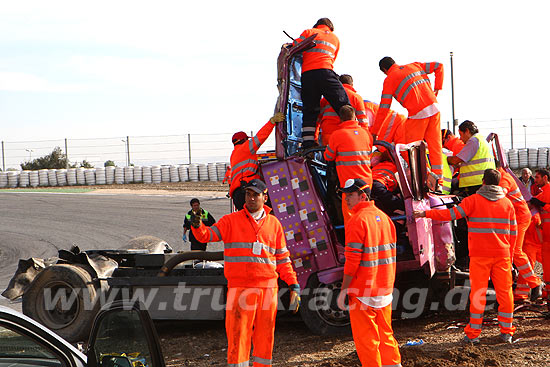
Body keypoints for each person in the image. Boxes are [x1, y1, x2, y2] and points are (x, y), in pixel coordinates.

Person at [190, 179, 300, 367]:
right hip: (240, 289)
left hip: (268, 290)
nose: (250, 198)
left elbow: (283, 259)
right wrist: (197, 224)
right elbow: (206, 235)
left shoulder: (274, 224)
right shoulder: (231, 221)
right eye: (248, 194)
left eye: (255, 194)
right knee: (238, 338)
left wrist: (293, 285)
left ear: (264, 198)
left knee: (265, 338)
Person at [415, 169, 517, 343]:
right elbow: (513, 234)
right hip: (502, 255)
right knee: (505, 293)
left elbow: (449, 215)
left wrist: (426, 213)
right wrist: (511, 256)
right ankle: (507, 332)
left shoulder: (473, 201)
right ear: (498, 184)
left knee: (478, 293)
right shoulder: (507, 204)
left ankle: (473, 335)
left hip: (479, 256)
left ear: (483, 182)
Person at [336, 178, 401, 367]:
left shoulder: (357, 221)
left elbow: (352, 261)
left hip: (363, 291)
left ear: (362, 196)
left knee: (367, 340)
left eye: (350, 195)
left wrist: (344, 289)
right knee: (386, 334)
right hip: (384, 288)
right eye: (345, 195)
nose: (346, 199)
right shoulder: (386, 219)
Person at [375, 57, 444, 181]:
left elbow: (383, 109)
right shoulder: (415, 65)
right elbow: (439, 66)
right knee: (435, 147)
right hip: (434, 108)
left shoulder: (389, 79)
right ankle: (438, 181)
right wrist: (437, 87)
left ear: (384, 70)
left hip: (418, 114)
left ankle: (423, 180)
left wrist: (374, 132)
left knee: (411, 150)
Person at [292, 18, 350, 149]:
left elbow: (294, 46)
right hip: (326, 72)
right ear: (330, 27)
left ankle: (308, 145)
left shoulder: (309, 32)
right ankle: (352, 131)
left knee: (310, 110)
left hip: (308, 75)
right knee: (342, 103)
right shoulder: (335, 39)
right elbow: (332, 59)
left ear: (317, 25)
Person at [498, 167, 542, 303]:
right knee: (514, 253)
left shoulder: (503, 178)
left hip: (519, 218)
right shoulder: (501, 176)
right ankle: (526, 288)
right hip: (516, 219)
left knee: (516, 252)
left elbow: (499, 196)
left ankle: (535, 283)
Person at [324, 105, 373, 223]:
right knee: (366, 213)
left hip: (350, 184)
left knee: (351, 218)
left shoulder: (337, 135)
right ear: (355, 117)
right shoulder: (366, 134)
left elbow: (328, 156)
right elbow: (369, 154)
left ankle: (354, 240)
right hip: (367, 181)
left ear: (340, 119)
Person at [230, 113, 285, 210]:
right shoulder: (246, 147)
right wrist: (271, 122)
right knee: (270, 210)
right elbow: (260, 137)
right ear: (245, 140)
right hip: (246, 191)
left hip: (237, 194)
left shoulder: (234, 154)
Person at [315, 74, 369, 146]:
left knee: (328, 156)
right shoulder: (356, 98)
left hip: (328, 135)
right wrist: (366, 139)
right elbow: (363, 122)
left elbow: (317, 120)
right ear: (352, 84)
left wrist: (315, 138)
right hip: (347, 135)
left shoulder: (326, 97)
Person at [447, 120, 495, 196]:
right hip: (483, 181)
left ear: (467, 131)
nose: (460, 138)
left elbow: (455, 160)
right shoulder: (482, 140)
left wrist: (444, 158)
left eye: (461, 134)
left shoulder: (473, 141)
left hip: (475, 184)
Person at [529, 168, 550, 310]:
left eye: (537, 177)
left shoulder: (547, 192)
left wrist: (541, 204)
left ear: (545, 177)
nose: (535, 180)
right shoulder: (543, 193)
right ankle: (546, 295)